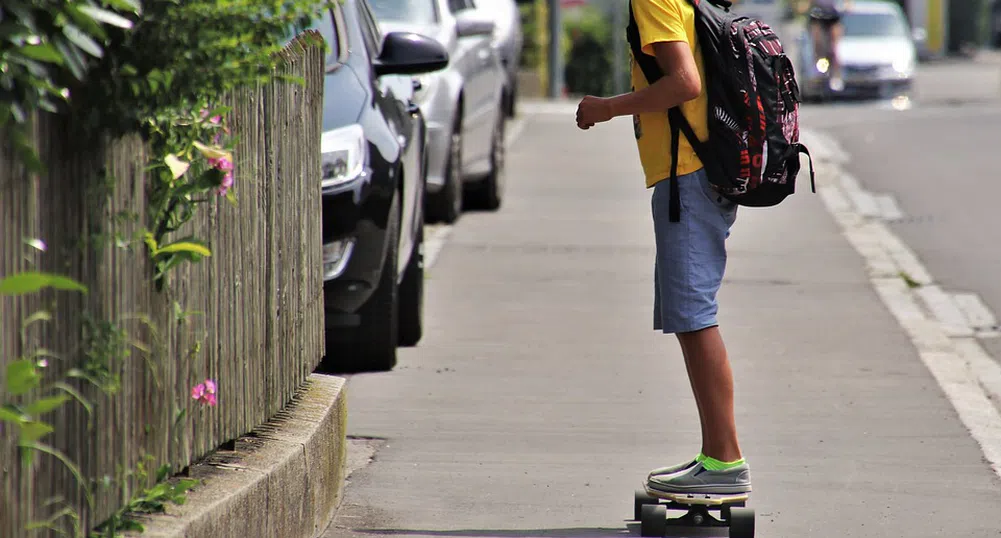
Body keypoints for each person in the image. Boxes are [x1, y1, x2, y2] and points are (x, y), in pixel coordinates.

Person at [575, 0, 750, 495]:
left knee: (694, 315)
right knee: (690, 315)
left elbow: (684, 83)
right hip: (697, 171)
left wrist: (607, 108)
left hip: (688, 173)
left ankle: (724, 461)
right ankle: (716, 456)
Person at [808, 0, 851, 92]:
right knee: (818, 45)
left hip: (833, 15)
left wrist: (846, 7)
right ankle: (818, 71)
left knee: (833, 48)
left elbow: (848, 4)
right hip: (818, 14)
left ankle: (836, 75)